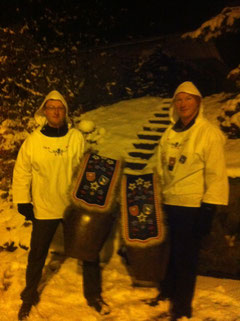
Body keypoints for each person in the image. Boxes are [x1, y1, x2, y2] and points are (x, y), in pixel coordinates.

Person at [12, 90, 109, 320]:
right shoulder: (34, 141)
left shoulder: (76, 137)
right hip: (45, 206)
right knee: (37, 254)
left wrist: (92, 194)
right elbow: (22, 172)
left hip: (72, 206)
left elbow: (85, 169)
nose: (56, 111)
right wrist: (22, 200)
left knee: (88, 251)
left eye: (60, 108)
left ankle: (93, 295)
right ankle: (28, 296)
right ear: (44, 111)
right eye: (51, 107)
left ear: (65, 112)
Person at [151, 81, 229, 320]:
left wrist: (208, 208)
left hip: (192, 206)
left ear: (198, 102)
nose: (183, 104)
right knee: (169, 254)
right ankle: (167, 292)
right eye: (179, 99)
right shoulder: (170, 133)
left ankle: (182, 307)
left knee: (186, 258)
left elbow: (216, 173)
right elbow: (161, 167)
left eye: (188, 99)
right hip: (170, 201)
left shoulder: (208, 133)